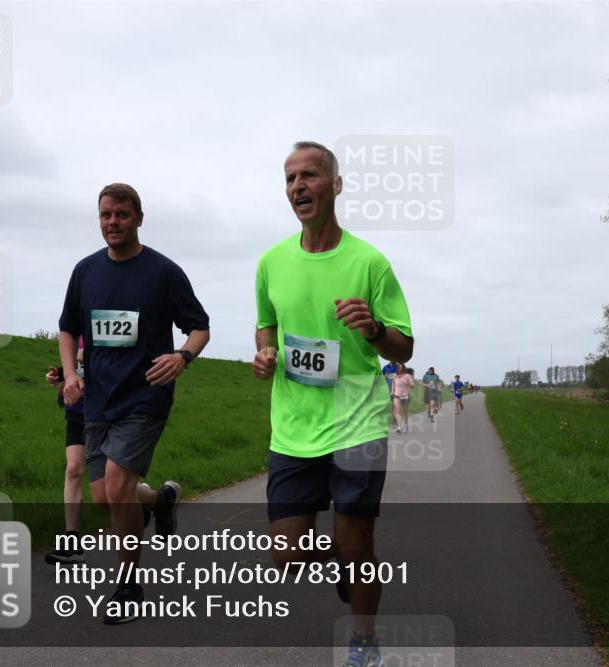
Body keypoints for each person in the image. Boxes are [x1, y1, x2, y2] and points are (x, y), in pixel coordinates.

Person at [253, 141, 413, 667]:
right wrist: (265, 352)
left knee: (357, 542)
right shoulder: (271, 262)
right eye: (290, 178)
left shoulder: (370, 262)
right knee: (285, 555)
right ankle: (349, 561)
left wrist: (374, 329)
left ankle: (364, 641)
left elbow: (404, 348)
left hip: (356, 423)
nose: (298, 186)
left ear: (336, 185)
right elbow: (265, 324)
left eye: (310, 175)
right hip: (293, 427)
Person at [59, 182, 210, 624]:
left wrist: (182, 357)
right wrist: (70, 374)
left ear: (139, 218)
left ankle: (128, 584)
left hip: (146, 394)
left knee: (117, 484)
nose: (113, 222)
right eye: (106, 215)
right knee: (104, 497)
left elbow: (199, 327)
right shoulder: (85, 271)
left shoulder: (163, 272)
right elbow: (67, 328)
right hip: (98, 400)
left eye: (122, 214)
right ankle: (159, 500)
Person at [44, 337, 87, 565]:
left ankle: (154, 499)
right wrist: (61, 374)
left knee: (111, 485)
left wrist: (90, 357)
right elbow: (77, 365)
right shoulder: (76, 330)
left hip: (107, 412)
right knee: (73, 469)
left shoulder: (111, 321)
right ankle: (72, 544)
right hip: (78, 412)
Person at [392, 362, 416, 433]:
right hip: (396, 396)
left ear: (403, 369)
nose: (400, 369)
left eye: (401, 368)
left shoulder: (407, 376)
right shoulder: (395, 377)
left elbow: (413, 385)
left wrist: (409, 384)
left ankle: (406, 425)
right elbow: (393, 385)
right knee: (397, 411)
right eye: (399, 368)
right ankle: (399, 427)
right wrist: (392, 391)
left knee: (404, 412)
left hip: (405, 396)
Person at [382, 360, 399, 430]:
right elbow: (381, 378)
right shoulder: (385, 367)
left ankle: (395, 420)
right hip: (387, 389)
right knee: (387, 405)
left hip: (397, 389)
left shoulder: (398, 367)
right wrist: (385, 376)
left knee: (395, 405)